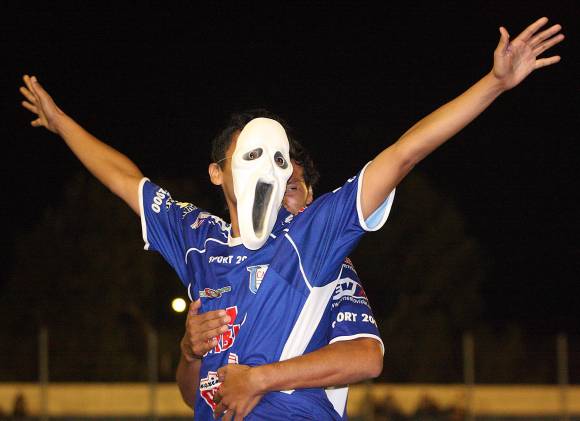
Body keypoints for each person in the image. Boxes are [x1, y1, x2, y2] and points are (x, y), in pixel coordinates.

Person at [20, 17, 563, 420]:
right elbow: (124, 179)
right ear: (216, 172)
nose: (270, 170)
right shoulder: (196, 239)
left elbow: (402, 155)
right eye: (251, 154)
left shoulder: (308, 237)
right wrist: (61, 121)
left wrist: (494, 83)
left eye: (278, 160)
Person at [176, 143, 384, 419]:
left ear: (311, 196)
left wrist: (259, 379)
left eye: (291, 188)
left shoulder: (327, 263)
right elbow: (197, 399)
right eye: (267, 188)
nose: (278, 199)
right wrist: (189, 353)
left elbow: (366, 356)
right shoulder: (225, 269)